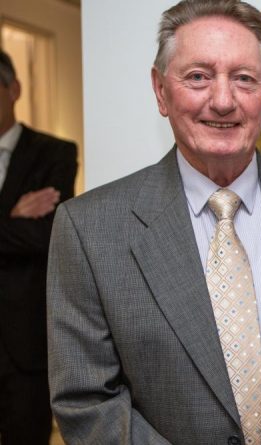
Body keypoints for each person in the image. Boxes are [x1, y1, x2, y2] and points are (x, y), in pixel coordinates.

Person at [47, 1, 261, 444]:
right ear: (160, 90)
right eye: (198, 76)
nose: (224, 100)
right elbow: (87, 399)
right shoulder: (88, 229)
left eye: (244, 79)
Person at [0, 49, 77, 444]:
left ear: (14, 89)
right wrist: (10, 219)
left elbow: (47, 235)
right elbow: (22, 236)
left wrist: (20, 225)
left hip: (25, 345)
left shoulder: (55, 153)